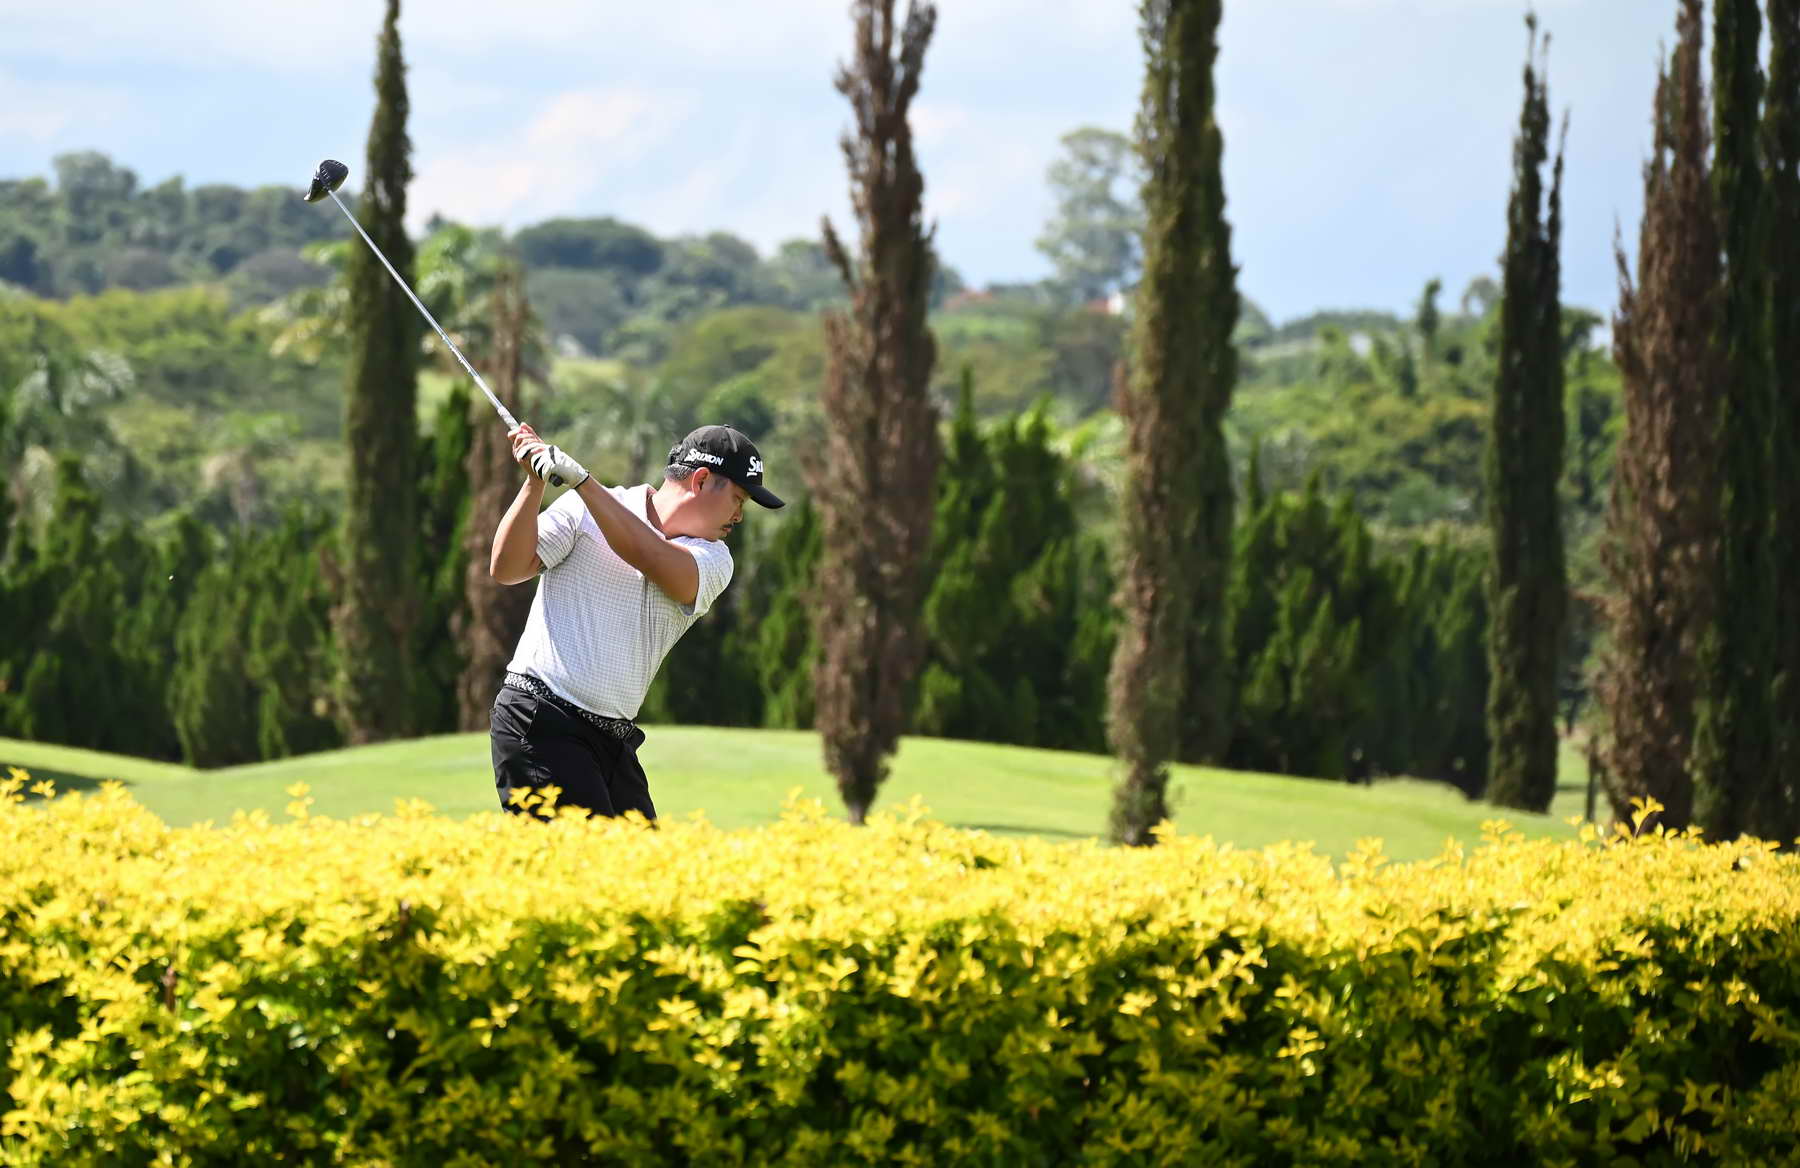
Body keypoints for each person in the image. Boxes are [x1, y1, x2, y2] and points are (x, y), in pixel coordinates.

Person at [487, 422, 784, 819]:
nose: (739, 516)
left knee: (643, 859)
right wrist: (534, 484)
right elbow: (507, 568)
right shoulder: (582, 508)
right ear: (700, 480)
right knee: (585, 858)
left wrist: (583, 482)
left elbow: (651, 556)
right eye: (738, 499)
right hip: (540, 719)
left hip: (613, 740)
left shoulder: (715, 559)